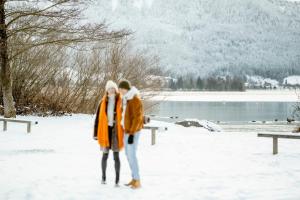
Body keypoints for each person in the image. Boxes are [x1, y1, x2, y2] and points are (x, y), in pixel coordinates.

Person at [94, 80, 124, 187]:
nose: (111, 90)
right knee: (105, 155)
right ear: (107, 91)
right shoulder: (102, 102)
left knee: (116, 156)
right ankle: (103, 177)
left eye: (113, 88)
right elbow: (97, 119)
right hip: (105, 131)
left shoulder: (121, 101)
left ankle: (117, 180)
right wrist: (95, 133)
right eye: (109, 89)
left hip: (116, 131)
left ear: (116, 90)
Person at [118, 80, 144, 189]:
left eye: (121, 89)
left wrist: (132, 134)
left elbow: (138, 118)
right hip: (126, 130)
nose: (120, 91)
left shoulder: (134, 99)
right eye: (119, 89)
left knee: (132, 155)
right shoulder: (126, 98)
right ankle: (134, 178)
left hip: (133, 132)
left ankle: (137, 180)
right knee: (128, 155)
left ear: (126, 88)